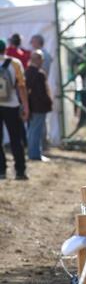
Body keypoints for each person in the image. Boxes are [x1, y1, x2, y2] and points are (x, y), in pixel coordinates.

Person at [0, 38, 29, 180]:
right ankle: (20, 171)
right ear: (5, 49)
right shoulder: (15, 63)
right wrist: (25, 106)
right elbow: (21, 86)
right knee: (15, 139)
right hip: (11, 104)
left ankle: (1, 170)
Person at [25, 50, 52, 161]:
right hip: (39, 107)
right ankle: (35, 154)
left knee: (31, 130)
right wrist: (48, 102)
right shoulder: (39, 74)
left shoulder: (27, 72)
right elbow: (42, 93)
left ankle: (32, 153)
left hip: (30, 106)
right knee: (36, 131)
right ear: (38, 60)